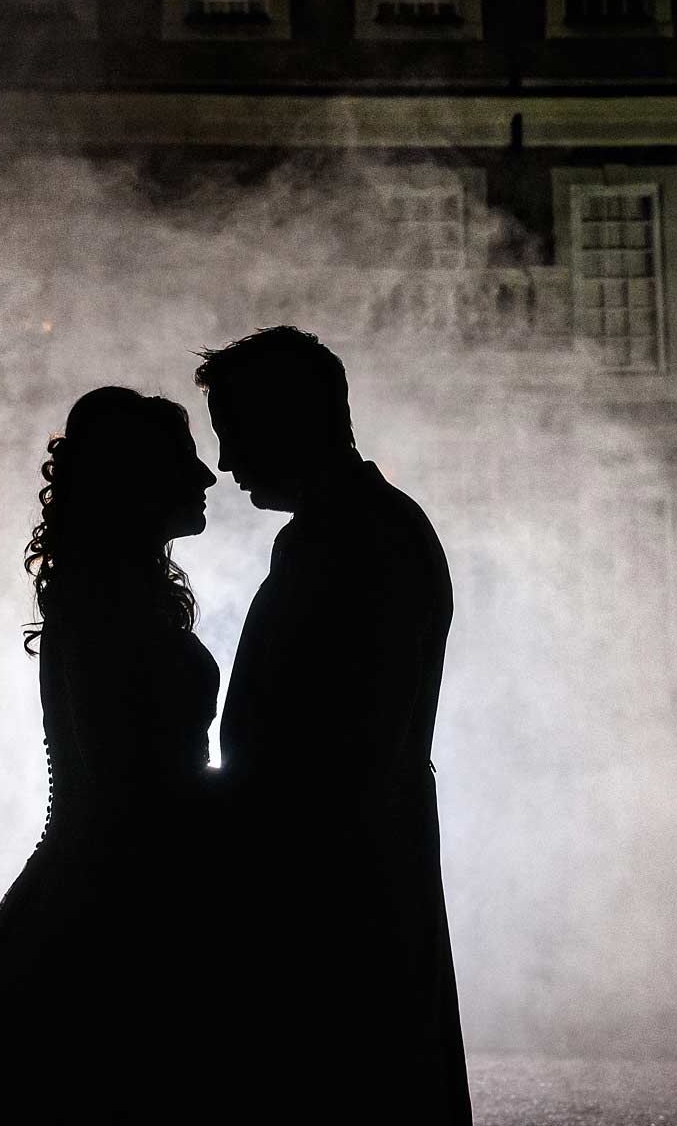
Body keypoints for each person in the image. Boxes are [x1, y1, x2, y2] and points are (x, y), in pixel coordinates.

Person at [0, 386, 221, 1124]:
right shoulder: (97, 604)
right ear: (135, 482)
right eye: (184, 462)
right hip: (111, 895)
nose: (206, 476)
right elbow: (125, 783)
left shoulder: (116, 595)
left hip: (120, 878)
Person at [197, 326, 471, 1124]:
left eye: (235, 431)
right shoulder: (366, 526)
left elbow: (323, 742)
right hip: (354, 870)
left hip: (333, 889)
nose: (226, 461)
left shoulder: (352, 538)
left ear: (288, 420)